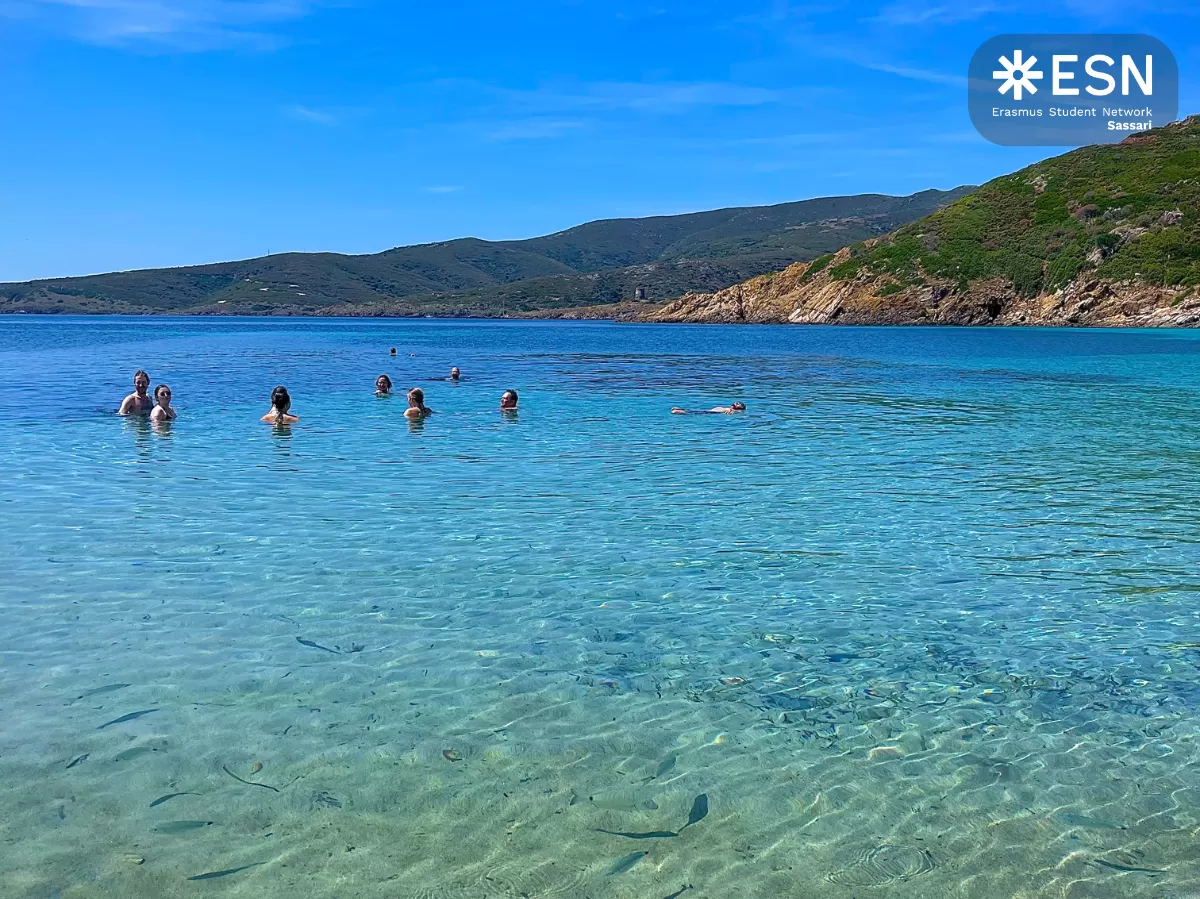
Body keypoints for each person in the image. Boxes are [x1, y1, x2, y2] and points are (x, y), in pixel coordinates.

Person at [671, 402, 746, 415]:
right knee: (695, 411)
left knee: (694, 412)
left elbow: (737, 412)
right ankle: (680, 410)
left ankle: (678, 412)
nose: (732, 405)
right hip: (708, 411)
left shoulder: (732, 410)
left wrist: (733, 412)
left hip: (711, 413)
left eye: (735, 405)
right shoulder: (728, 408)